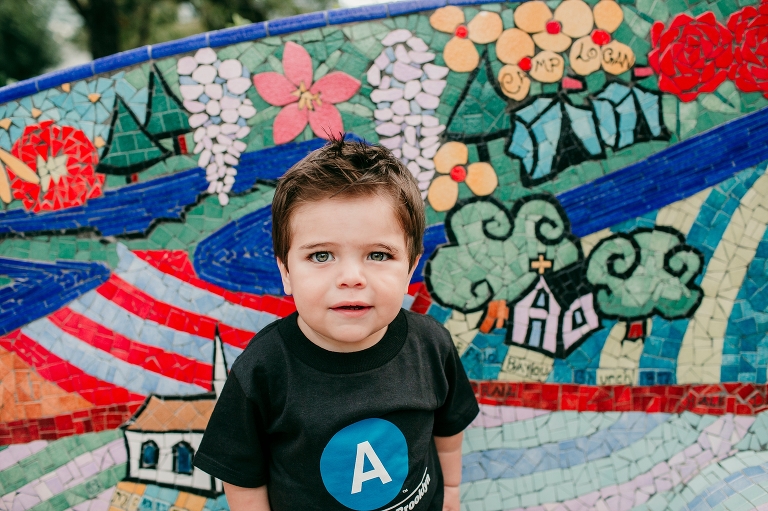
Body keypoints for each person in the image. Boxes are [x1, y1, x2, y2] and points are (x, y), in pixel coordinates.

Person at [193, 137, 479, 511]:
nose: (351, 277)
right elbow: (242, 476)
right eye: (321, 255)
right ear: (286, 272)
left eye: (378, 254)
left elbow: (448, 427)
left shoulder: (430, 344)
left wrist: (452, 491)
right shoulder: (263, 370)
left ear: (410, 267)